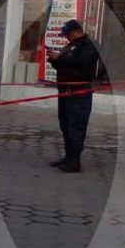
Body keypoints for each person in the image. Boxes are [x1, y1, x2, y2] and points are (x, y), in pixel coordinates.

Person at [47, 19, 99, 173]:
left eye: (68, 34)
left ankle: (74, 161)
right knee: (65, 124)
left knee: (75, 126)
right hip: (65, 90)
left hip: (79, 93)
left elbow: (83, 62)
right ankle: (68, 157)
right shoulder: (70, 46)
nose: (66, 37)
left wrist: (60, 58)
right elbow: (65, 64)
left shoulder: (89, 45)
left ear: (77, 31)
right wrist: (53, 58)